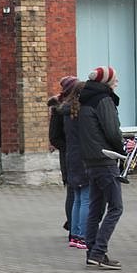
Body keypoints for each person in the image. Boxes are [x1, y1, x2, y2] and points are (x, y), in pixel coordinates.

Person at [78, 66, 127, 270]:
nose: (116, 82)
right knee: (116, 207)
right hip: (106, 160)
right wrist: (123, 149)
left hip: (91, 161)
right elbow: (112, 132)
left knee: (95, 209)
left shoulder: (86, 99)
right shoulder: (103, 99)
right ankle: (99, 252)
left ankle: (91, 252)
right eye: (114, 79)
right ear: (106, 82)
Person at [60, 79, 90, 249]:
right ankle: (83, 235)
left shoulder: (66, 112)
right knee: (85, 197)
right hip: (83, 158)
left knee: (77, 198)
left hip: (71, 157)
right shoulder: (82, 113)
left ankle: (75, 234)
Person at [49, 76, 75, 240]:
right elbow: (54, 137)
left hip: (73, 153)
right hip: (68, 156)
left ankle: (73, 223)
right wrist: (68, 147)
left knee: (75, 192)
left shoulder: (75, 106)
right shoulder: (59, 109)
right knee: (72, 192)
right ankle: (73, 225)